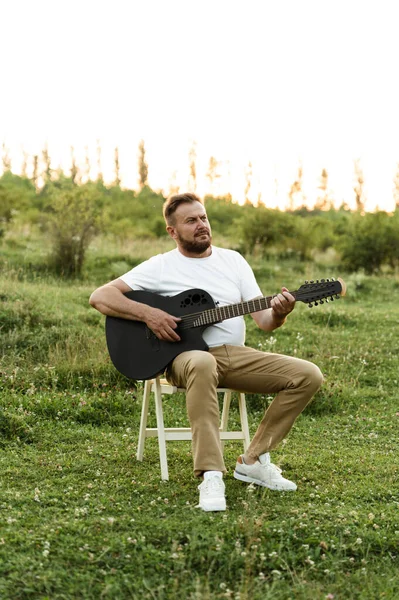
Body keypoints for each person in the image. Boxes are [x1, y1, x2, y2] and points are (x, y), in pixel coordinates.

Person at [89, 193, 323, 512]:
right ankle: (211, 474)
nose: (201, 225)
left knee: (307, 375)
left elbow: (265, 321)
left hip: (233, 355)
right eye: (191, 221)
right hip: (184, 358)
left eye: (203, 218)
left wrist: (281, 312)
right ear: (173, 231)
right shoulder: (160, 266)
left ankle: (252, 461)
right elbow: (101, 296)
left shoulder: (234, 261)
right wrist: (150, 315)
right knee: (201, 361)